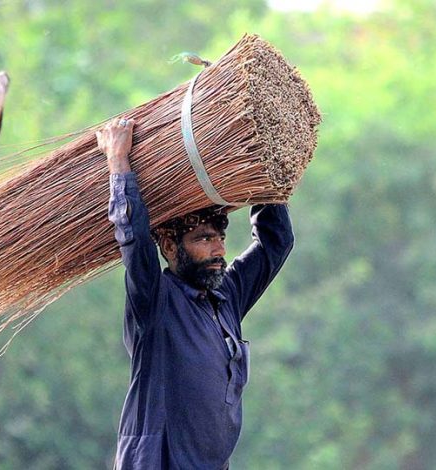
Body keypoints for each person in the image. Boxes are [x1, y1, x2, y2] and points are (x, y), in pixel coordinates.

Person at [97, 117, 294, 469]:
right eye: (204, 239)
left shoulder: (226, 295)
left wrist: (264, 163)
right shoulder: (154, 302)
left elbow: (275, 243)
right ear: (170, 245)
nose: (219, 249)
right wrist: (118, 161)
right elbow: (135, 241)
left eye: (220, 238)